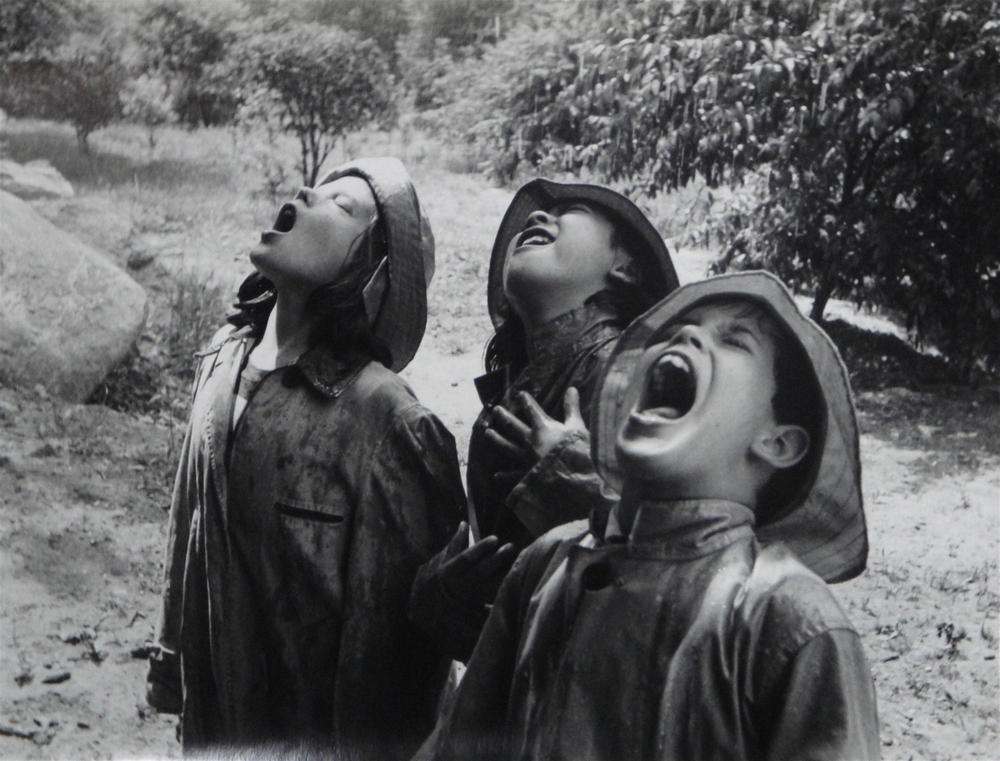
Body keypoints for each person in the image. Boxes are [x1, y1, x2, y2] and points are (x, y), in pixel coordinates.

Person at [428, 271, 880, 760]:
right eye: (672, 331)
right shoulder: (547, 562)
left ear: (778, 443)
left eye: (733, 340)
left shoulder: (789, 619)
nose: (686, 334)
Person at [145, 158, 466, 759]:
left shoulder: (390, 421)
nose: (305, 193)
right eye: (317, 187)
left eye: (342, 206)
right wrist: (174, 668)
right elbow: (190, 530)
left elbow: (401, 661)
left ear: (370, 272)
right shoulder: (222, 359)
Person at [409, 179, 680, 663]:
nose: (539, 218)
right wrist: (443, 600)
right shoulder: (513, 394)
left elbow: (685, 573)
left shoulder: (636, 376)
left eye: (570, 210)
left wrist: (577, 478)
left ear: (625, 268)